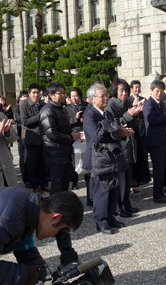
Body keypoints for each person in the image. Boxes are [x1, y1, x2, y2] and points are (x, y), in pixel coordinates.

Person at [0, 187, 83, 285]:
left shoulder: (29, 208)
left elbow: (26, 251)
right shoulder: (7, 216)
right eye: (61, 231)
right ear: (55, 217)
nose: (55, 236)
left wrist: (43, 276)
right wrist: (25, 274)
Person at [39, 82, 81, 265]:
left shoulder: (61, 109)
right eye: (60, 93)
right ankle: (51, 218)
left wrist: (74, 125)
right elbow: (51, 134)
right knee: (56, 188)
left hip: (64, 151)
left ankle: (62, 217)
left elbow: (63, 128)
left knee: (64, 187)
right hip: (55, 152)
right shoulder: (47, 111)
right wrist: (70, 138)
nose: (64, 96)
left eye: (64, 93)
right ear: (51, 95)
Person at [83, 83, 134, 234]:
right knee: (102, 190)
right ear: (92, 99)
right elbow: (97, 135)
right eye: (102, 96)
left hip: (112, 156)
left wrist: (119, 131)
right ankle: (101, 221)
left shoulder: (107, 113)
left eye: (106, 95)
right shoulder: (90, 114)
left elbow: (113, 131)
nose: (106, 98)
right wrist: (117, 129)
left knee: (114, 188)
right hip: (98, 157)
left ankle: (110, 217)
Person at [105, 79, 141, 217]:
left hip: (129, 144)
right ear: (115, 91)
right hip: (120, 146)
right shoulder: (111, 105)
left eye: (126, 90)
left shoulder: (127, 103)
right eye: (121, 91)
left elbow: (131, 122)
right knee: (120, 180)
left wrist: (135, 114)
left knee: (127, 178)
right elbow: (112, 124)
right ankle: (119, 207)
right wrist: (129, 115)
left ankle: (126, 204)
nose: (124, 93)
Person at [143, 80, 166, 203]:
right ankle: (158, 195)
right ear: (151, 90)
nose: (159, 93)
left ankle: (160, 192)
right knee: (158, 168)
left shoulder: (161, 104)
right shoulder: (148, 104)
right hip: (154, 140)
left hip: (161, 139)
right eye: (157, 91)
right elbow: (151, 120)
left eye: (161, 91)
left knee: (162, 167)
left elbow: (163, 120)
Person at [21, 83, 49, 193]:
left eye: (38, 93)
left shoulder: (43, 105)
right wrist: (40, 116)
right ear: (29, 94)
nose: (36, 95)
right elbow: (25, 122)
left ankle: (44, 183)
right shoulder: (25, 105)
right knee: (32, 163)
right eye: (34, 93)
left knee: (44, 163)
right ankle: (35, 185)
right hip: (32, 138)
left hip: (44, 138)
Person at [65, 87, 89, 190]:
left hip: (85, 134)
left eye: (76, 96)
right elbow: (65, 122)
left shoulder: (86, 106)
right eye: (72, 96)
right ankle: (74, 181)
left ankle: (88, 180)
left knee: (87, 157)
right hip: (74, 135)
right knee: (74, 160)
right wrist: (75, 118)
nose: (74, 98)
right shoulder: (66, 108)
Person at [128, 80, 151, 188]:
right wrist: (134, 106)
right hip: (133, 129)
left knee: (143, 154)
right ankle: (133, 180)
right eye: (135, 87)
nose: (137, 89)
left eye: (139, 87)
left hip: (142, 129)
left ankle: (143, 178)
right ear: (131, 89)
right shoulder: (129, 100)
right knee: (134, 154)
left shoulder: (143, 99)